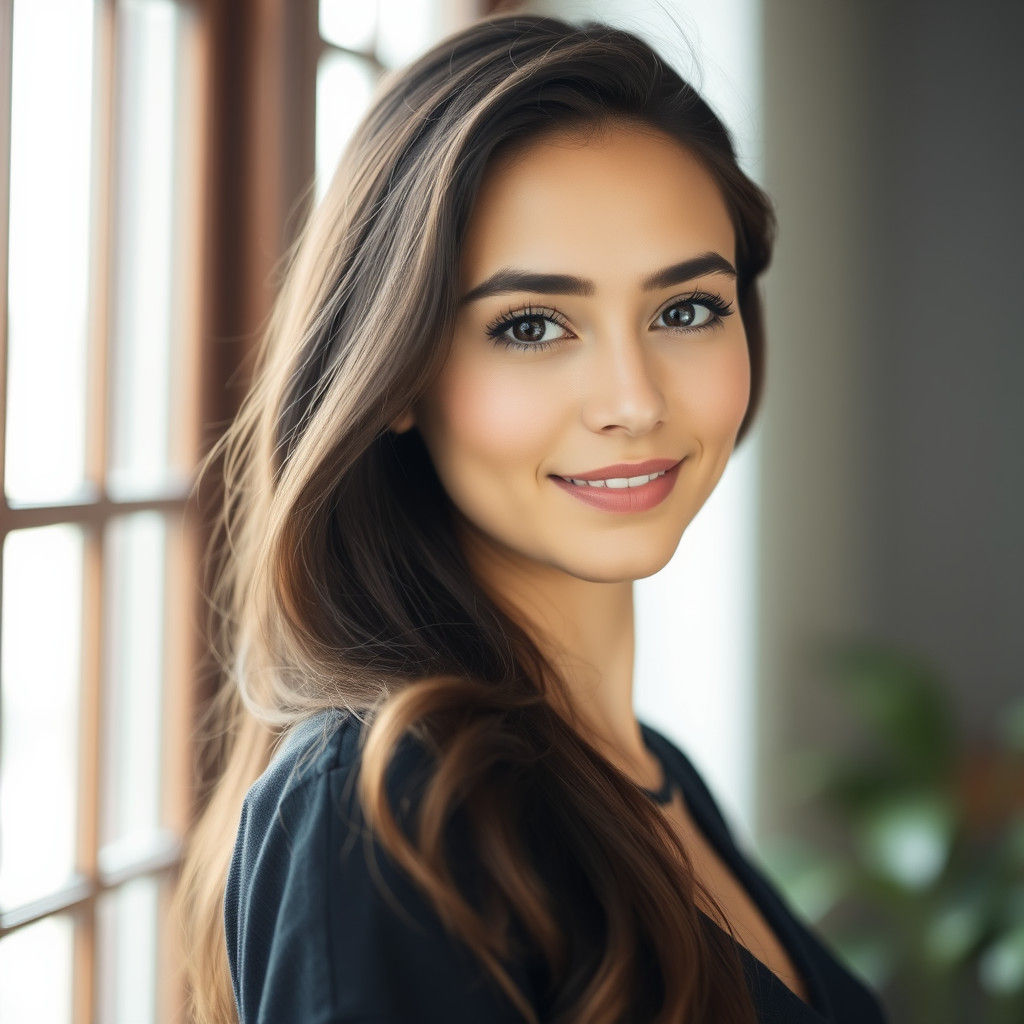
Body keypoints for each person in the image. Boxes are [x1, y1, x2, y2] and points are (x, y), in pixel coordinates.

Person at [173, 12, 890, 1024]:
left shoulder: (648, 772)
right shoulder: (383, 805)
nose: (633, 399)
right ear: (398, 376)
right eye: (531, 325)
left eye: (684, 308)